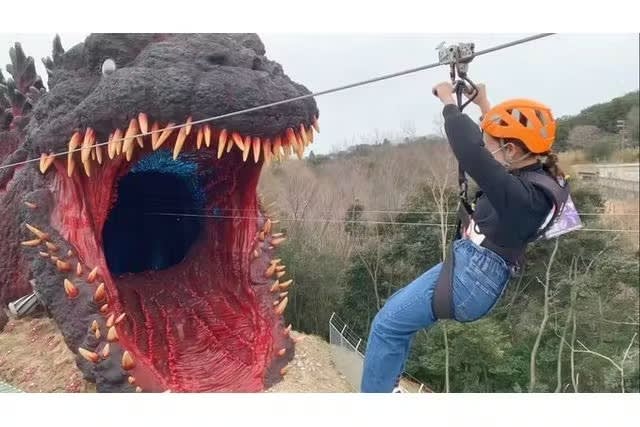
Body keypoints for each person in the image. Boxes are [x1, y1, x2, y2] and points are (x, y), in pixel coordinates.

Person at [360, 81, 567, 393]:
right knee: (393, 320)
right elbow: (500, 150)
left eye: (490, 145)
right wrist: (484, 104)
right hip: (472, 266)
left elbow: (471, 152)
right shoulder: (535, 176)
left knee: (386, 326)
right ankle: (387, 389)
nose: (487, 150)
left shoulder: (523, 199)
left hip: (472, 278)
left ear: (511, 150)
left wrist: (448, 103)